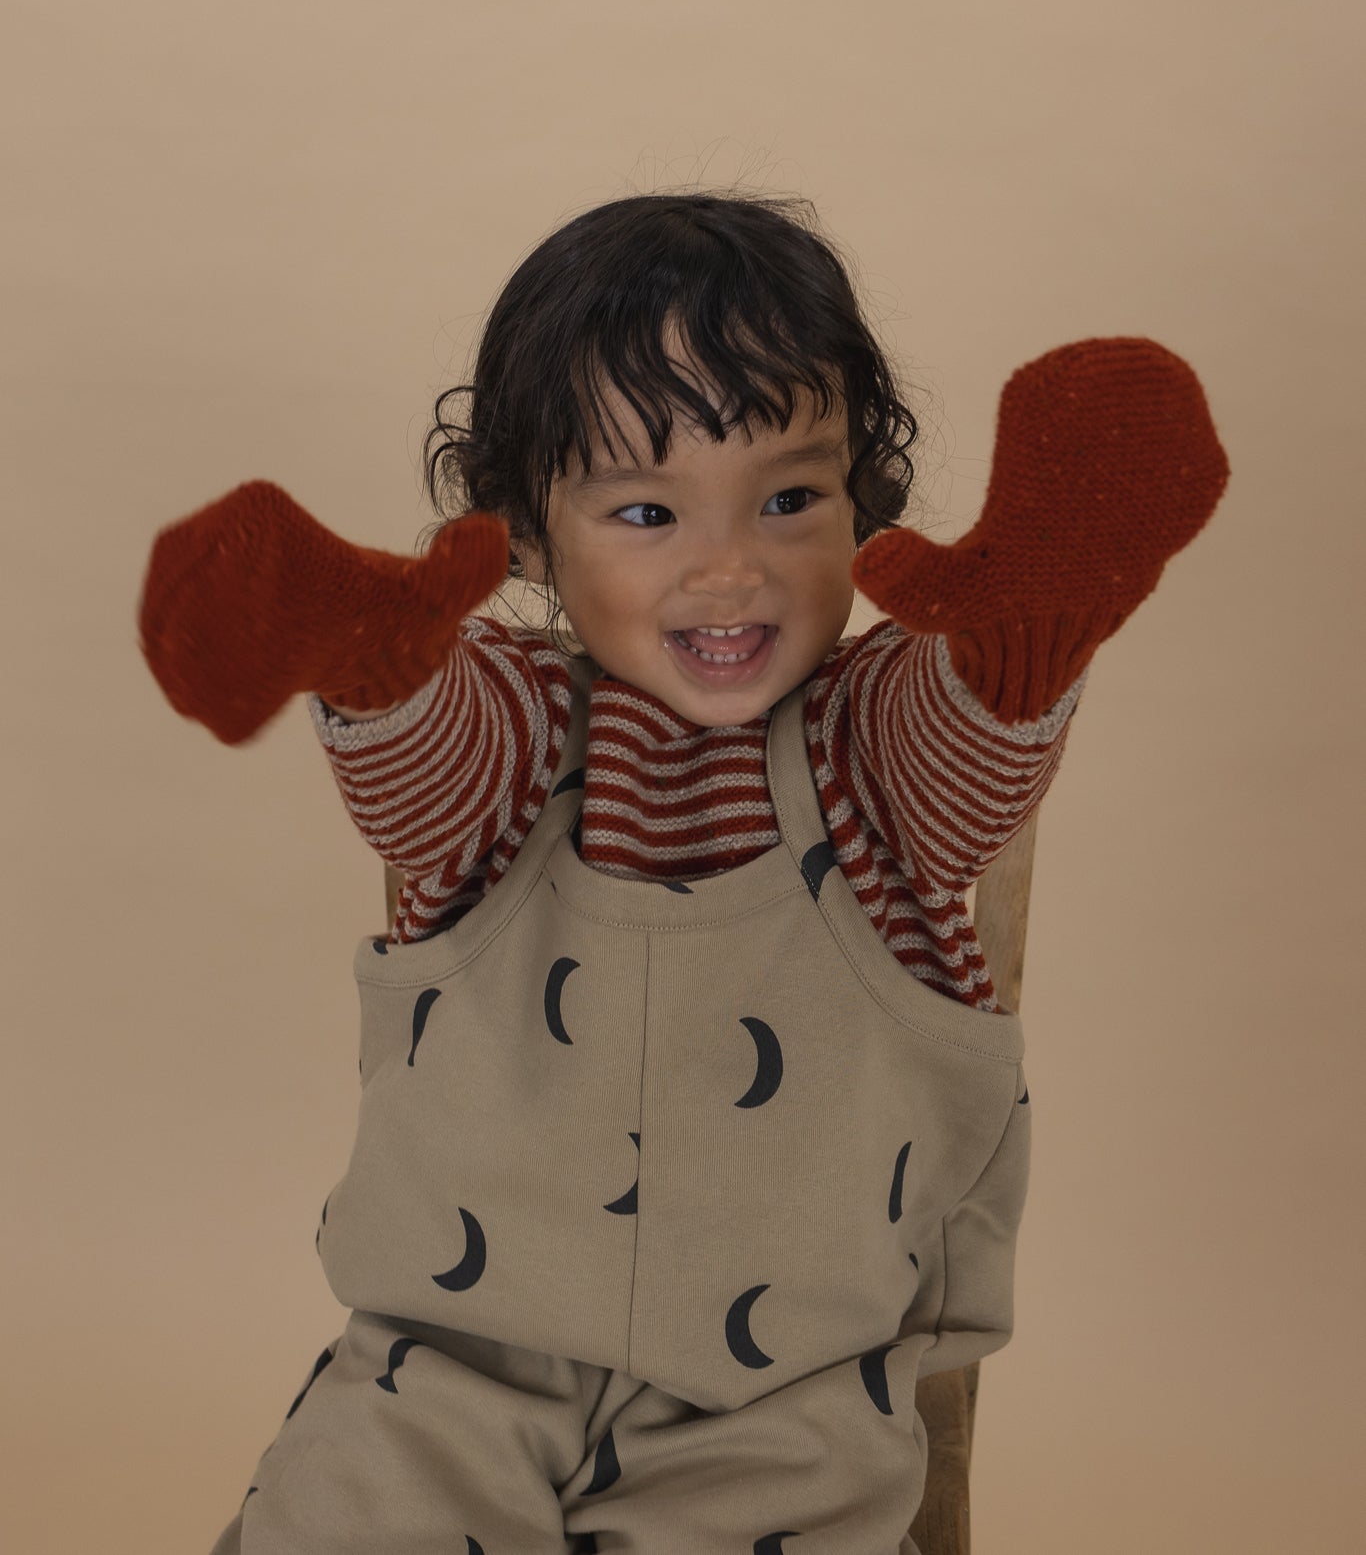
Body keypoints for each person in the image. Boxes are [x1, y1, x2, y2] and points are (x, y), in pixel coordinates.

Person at [139, 191, 1229, 1554]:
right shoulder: (519, 725)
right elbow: (437, 771)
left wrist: (1022, 637)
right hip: (451, 1372)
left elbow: (957, 767)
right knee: (351, 1516)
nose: (731, 566)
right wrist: (381, 668)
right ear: (528, 538)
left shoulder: (865, 735)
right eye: (646, 509)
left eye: (787, 497)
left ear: (860, 502)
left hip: (786, 1398)